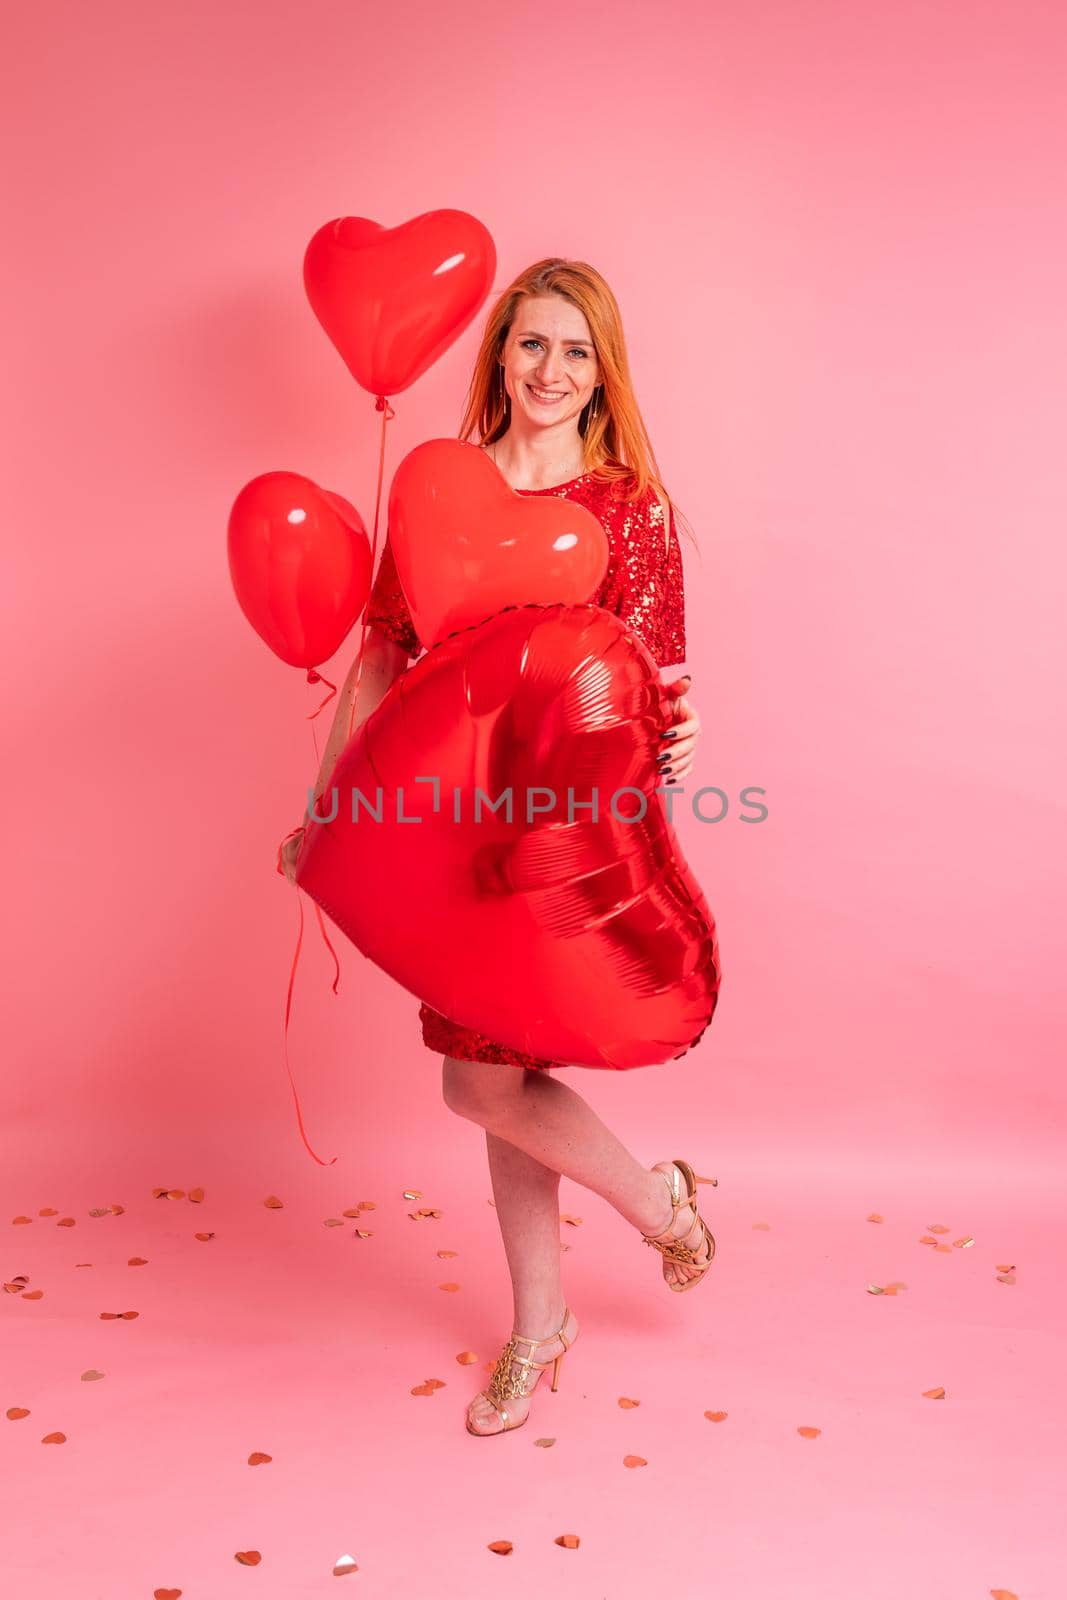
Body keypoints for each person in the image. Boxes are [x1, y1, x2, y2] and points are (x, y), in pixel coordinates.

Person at [280, 258, 716, 1437]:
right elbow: (379, 654)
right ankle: (544, 1321)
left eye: (574, 350)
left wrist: (672, 747)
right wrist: (325, 805)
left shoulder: (630, 505)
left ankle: (653, 1210)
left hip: (572, 827)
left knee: (485, 1078)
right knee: (494, 1077)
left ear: (601, 371)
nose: (550, 370)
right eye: (530, 344)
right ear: (498, 356)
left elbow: (658, 676)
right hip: (449, 824)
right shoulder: (441, 486)